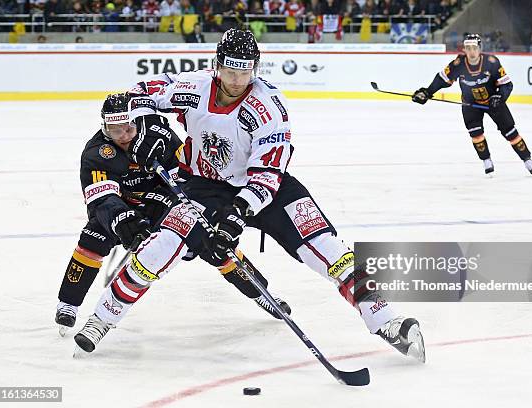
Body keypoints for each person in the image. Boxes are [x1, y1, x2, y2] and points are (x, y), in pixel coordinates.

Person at [73, 29, 426, 363]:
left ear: (255, 69)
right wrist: (145, 126)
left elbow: (268, 175)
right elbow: (138, 93)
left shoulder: (268, 106)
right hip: (203, 185)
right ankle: (103, 317)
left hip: (266, 190)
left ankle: (386, 321)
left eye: (245, 71)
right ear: (217, 64)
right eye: (230, 69)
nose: (237, 80)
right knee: (162, 246)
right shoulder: (193, 86)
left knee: (327, 248)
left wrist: (236, 214)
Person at [57, 93, 290, 337]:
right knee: (94, 235)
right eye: (115, 131)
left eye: (128, 128)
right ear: (104, 128)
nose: (124, 137)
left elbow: (189, 176)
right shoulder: (96, 153)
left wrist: (184, 209)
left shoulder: (159, 136)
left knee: (211, 242)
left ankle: (262, 293)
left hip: (162, 202)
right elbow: (102, 199)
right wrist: (122, 220)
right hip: (123, 207)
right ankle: (68, 303)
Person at [412, 34, 532, 175]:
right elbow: (441, 79)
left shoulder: (491, 62)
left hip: (493, 102)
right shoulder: (458, 64)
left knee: (510, 132)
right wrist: (428, 92)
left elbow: (507, 84)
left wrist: (500, 96)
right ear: (464, 49)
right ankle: (486, 160)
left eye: (474, 48)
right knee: (476, 134)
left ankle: (527, 160)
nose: (471, 51)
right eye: (468, 48)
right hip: (470, 104)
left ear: (479, 48)